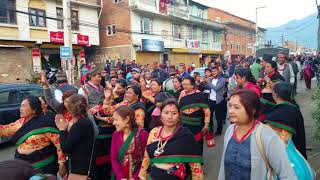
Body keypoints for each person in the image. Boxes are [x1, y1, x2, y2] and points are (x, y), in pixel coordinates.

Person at [218, 89, 297, 180]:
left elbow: (286, 174)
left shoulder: (266, 135)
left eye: (237, 107)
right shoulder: (230, 131)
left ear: (252, 110)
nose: (231, 111)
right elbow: (223, 167)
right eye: (230, 106)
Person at [0, 97, 66, 176]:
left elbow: (59, 144)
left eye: (24, 106)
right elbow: (4, 131)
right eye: (21, 106)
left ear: (34, 109)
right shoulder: (20, 122)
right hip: (22, 165)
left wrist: (62, 164)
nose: (20, 109)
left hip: (43, 166)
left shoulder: (46, 123)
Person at [139, 99, 203, 180]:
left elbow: (195, 167)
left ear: (179, 116)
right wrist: (142, 175)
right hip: (152, 176)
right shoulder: (154, 132)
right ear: (161, 115)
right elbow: (146, 156)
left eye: (174, 113)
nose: (170, 117)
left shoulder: (185, 136)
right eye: (166, 113)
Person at [55, 94, 96, 180]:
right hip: (85, 164)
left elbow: (65, 148)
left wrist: (62, 130)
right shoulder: (85, 121)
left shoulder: (79, 125)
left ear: (70, 109)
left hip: (80, 168)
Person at [264, 82, 307, 158]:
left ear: (275, 95)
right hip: (296, 151)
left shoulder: (274, 114)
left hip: (282, 154)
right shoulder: (295, 108)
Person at [111, 106, 148, 180]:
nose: (113, 123)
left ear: (127, 119)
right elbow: (113, 159)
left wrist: (135, 177)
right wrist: (121, 177)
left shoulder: (142, 134)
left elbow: (146, 160)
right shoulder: (116, 134)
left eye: (116, 120)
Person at [179, 76, 214, 151]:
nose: (184, 86)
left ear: (192, 85)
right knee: (187, 145)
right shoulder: (182, 93)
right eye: (183, 84)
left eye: (186, 84)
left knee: (197, 145)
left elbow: (206, 110)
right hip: (185, 125)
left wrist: (206, 124)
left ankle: (198, 161)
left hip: (197, 126)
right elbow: (179, 107)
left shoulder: (199, 95)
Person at [207, 67, 227, 136]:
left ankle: (219, 130)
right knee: (209, 115)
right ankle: (211, 129)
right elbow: (208, 87)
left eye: (215, 71)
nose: (213, 72)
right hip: (211, 100)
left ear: (218, 72)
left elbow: (216, 88)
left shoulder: (222, 80)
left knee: (218, 117)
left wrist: (208, 82)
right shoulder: (211, 79)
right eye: (212, 71)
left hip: (218, 101)